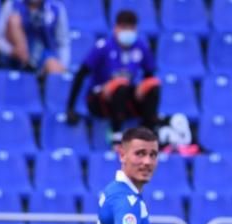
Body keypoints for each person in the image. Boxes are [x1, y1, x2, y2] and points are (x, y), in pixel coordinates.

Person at [65, 10, 161, 147]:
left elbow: (149, 75)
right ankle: (117, 136)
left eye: (131, 28)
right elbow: (81, 73)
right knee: (120, 86)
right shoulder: (103, 47)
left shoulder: (141, 47)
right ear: (116, 28)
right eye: (124, 28)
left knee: (152, 86)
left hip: (126, 97)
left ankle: (148, 134)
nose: (128, 32)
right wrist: (70, 108)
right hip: (100, 99)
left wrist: (142, 86)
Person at [0, 0, 68, 74]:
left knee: (54, 67)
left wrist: (63, 65)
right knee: (14, 20)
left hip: (43, 58)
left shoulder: (56, 8)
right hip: (15, 58)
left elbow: (63, 43)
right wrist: (11, 51)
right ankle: (26, 64)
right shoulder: (12, 4)